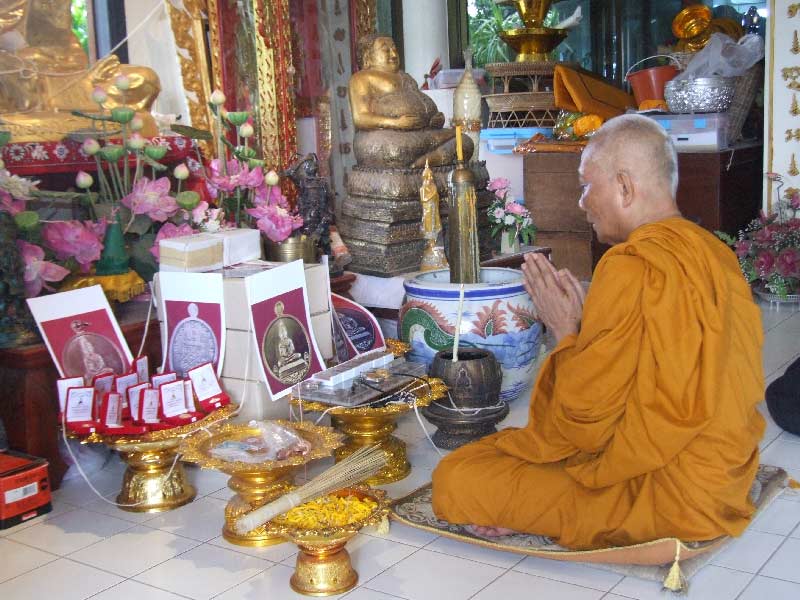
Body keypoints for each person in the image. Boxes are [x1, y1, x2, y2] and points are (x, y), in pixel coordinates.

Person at [431, 114, 765, 550]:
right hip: (723, 477)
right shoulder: (716, 254)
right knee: (496, 457)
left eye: (588, 185)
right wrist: (590, 329)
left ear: (625, 186)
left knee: (456, 479)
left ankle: (535, 510)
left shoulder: (632, 265)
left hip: (662, 496)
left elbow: (580, 429)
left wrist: (565, 331)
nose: (583, 202)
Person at [348, 34, 472, 168]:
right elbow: (360, 118)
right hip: (387, 137)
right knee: (396, 150)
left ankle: (424, 162)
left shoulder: (405, 76)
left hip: (422, 134)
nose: (393, 54)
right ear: (368, 56)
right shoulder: (362, 78)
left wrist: (433, 120)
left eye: (394, 49)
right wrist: (396, 123)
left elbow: (419, 102)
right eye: (386, 50)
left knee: (464, 142)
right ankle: (425, 161)